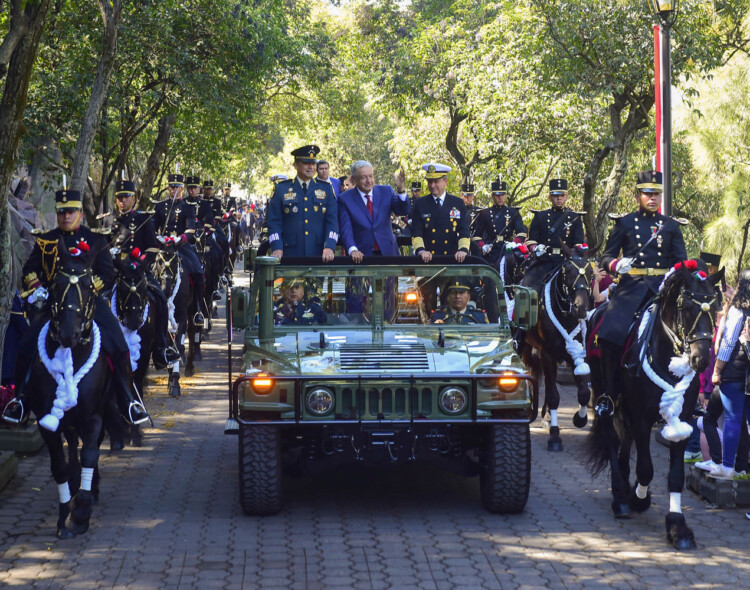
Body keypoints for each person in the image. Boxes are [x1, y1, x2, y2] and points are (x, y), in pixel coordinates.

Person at [2, 188, 149, 426]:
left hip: (89, 304)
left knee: (118, 344)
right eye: (61, 212)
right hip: (53, 304)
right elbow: (29, 270)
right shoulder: (45, 239)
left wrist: (89, 291)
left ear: (80, 213)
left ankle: (129, 400)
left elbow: (107, 274)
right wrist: (37, 286)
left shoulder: (95, 239)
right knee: (27, 344)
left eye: (71, 212)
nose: (66, 217)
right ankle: (20, 400)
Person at [596, 171, 687, 349]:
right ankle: (610, 376)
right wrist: (616, 265)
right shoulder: (625, 223)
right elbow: (605, 257)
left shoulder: (671, 225)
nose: (652, 198)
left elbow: (680, 262)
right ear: (638, 196)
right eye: (647, 194)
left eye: (656, 194)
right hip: (631, 286)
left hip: (663, 288)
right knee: (609, 335)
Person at [110, 178, 180, 369]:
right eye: (119, 198)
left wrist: (141, 264)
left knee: (160, 299)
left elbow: (152, 247)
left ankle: (161, 348)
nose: (122, 201)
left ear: (133, 199)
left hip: (137, 270)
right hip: (115, 271)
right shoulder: (110, 220)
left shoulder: (142, 219)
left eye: (126, 197)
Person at [709, 269, 750, 480]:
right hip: (748, 375)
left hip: (734, 371)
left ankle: (727, 467)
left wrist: (716, 370)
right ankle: (743, 467)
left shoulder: (738, 311)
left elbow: (727, 344)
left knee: (733, 419)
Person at [152, 173, 208, 326]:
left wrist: (180, 239)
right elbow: (153, 227)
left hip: (181, 247)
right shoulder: (159, 206)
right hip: (162, 247)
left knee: (198, 271)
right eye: (172, 186)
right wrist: (159, 238)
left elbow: (191, 231)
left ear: (182, 188)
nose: (174, 189)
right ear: (168, 188)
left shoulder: (187, 208)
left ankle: (197, 309)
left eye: (177, 186)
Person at [267, 145, 338, 261]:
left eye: (313, 163)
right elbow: (274, 222)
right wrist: (276, 247)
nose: (311, 167)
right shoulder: (281, 189)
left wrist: (329, 246)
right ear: (295, 165)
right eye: (306, 163)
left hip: (319, 255)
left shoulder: (326, 189)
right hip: (289, 254)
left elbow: (332, 222)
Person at [522, 178, 586, 292]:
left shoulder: (575, 218)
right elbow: (531, 241)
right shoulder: (540, 216)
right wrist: (536, 248)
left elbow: (578, 245)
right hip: (545, 261)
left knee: (583, 288)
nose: (559, 198)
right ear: (550, 197)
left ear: (566, 197)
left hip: (566, 262)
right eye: (555, 195)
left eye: (562, 195)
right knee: (527, 287)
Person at [338, 161, 409, 261]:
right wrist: (352, 250)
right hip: (360, 257)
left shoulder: (386, 191)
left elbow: (402, 211)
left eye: (371, 176)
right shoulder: (345, 199)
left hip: (388, 254)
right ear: (354, 179)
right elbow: (346, 230)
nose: (369, 181)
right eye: (363, 177)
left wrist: (401, 190)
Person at [410, 163, 470, 263]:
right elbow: (416, 232)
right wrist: (421, 250)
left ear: (445, 181)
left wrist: (463, 250)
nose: (432, 185)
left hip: (452, 260)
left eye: (436, 181)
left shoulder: (457, 203)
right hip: (428, 260)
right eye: (429, 181)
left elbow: (464, 230)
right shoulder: (420, 203)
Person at [473, 180, 526, 263]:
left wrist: (514, 243)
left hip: (508, 250)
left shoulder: (513, 212)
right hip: (490, 251)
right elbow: (476, 236)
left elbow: (522, 232)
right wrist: (483, 246)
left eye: (502, 195)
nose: (500, 197)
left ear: (506, 195)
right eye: (497, 195)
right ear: (492, 196)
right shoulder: (484, 213)